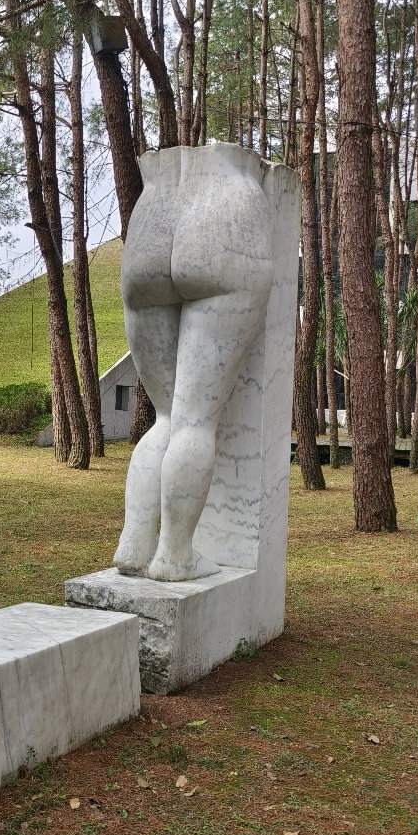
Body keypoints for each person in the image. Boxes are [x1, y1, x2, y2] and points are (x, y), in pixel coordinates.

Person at [113, 142, 274, 581]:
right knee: (192, 421)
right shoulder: (233, 178)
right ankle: (175, 555)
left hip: (153, 209)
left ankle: (134, 545)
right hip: (228, 215)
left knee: (166, 417)